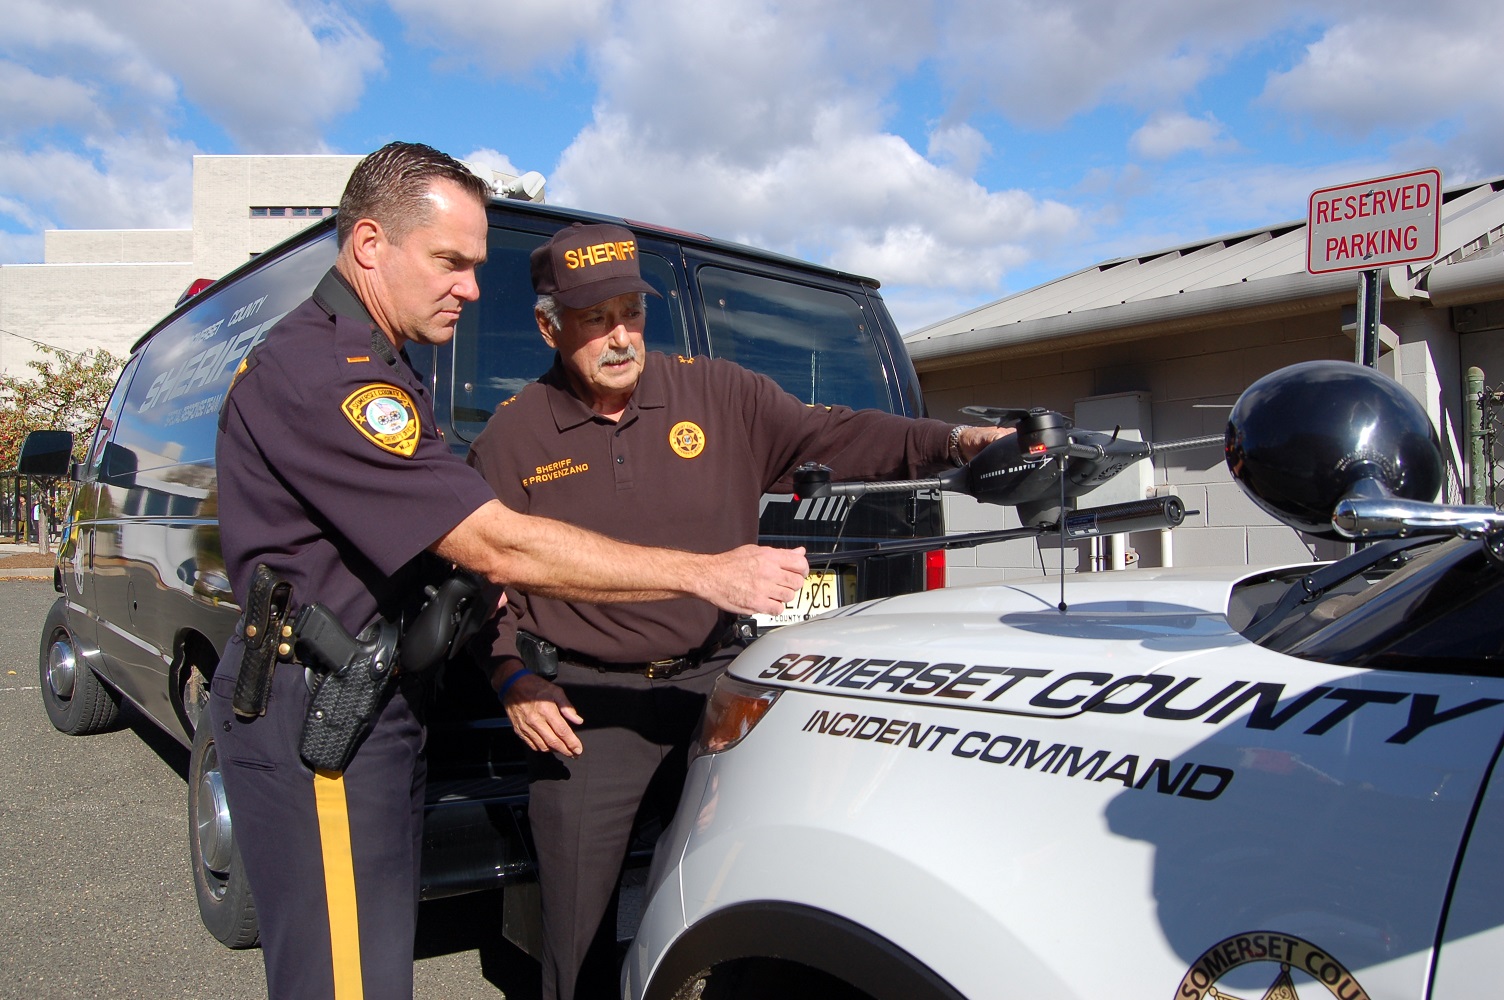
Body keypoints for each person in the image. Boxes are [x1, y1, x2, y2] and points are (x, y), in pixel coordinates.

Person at [209, 143, 808, 1000]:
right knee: (345, 983)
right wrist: (707, 573)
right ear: (370, 244)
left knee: (371, 968)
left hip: (371, 704)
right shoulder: (325, 373)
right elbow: (499, 544)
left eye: (477, 265)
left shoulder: (378, 358)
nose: (471, 287)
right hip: (323, 712)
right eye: (449, 261)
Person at [467, 222, 1011, 1000]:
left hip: (718, 692)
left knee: (751, 891)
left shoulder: (719, 394)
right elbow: (480, 586)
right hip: (588, 713)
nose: (621, 337)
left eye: (631, 312)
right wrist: (512, 676)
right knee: (578, 937)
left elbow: (842, 432)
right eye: (596, 320)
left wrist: (959, 441)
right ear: (551, 327)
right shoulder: (513, 437)